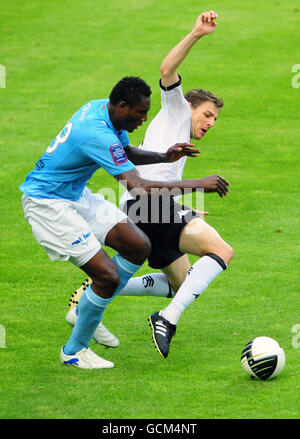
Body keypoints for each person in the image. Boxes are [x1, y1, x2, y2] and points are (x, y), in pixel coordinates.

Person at [19, 73, 224, 369]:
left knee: (138, 245)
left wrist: (163, 158)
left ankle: (88, 308)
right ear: (124, 107)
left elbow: (127, 152)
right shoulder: (95, 132)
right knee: (108, 277)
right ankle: (75, 349)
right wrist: (199, 184)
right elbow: (138, 187)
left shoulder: (103, 109)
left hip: (76, 195)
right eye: (141, 113)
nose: (144, 119)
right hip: (48, 205)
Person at [68, 10, 234, 359]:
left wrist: (185, 208)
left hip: (152, 205)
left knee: (182, 284)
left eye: (215, 119)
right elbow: (166, 71)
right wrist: (196, 33)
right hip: (150, 205)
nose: (210, 123)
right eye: (207, 114)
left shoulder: (177, 138)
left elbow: (162, 180)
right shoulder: (176, 109)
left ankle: (90, 292)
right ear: (188, 106)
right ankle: (165, 320)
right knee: (221, 251)